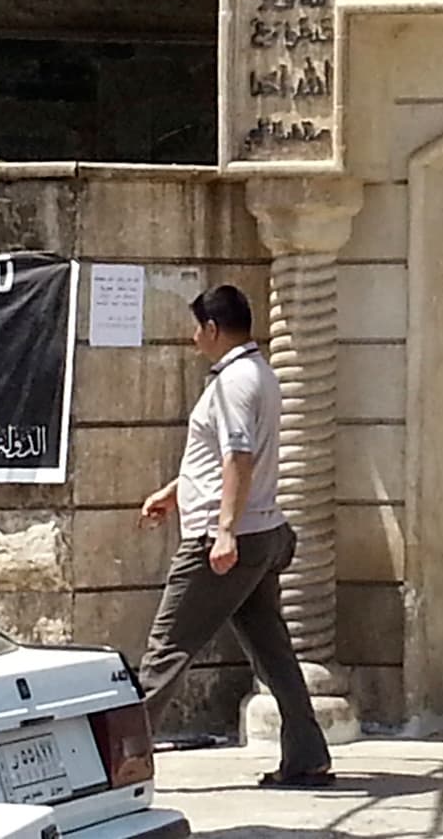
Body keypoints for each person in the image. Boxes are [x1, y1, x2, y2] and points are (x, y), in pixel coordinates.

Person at [135, 283, 333, 789]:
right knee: (273, 652)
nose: (193, 338)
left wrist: (222, 531)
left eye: (197, 328)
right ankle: (307, 755)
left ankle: (122, 759)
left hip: (223, 542)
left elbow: (238, 457)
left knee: (166, 651)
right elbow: (221, 458)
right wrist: (175, 492)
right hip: (261, 533)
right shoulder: (259, 375)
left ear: (213, 328)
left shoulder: (232, 383)